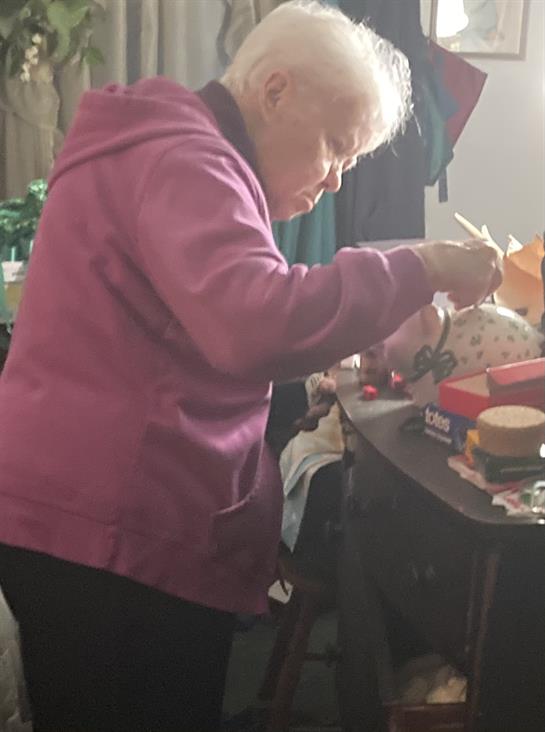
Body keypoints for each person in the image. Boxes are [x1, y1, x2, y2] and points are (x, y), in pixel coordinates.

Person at [0, 2, 501, 730]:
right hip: (109, 530)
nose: (337, 181)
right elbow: (255, 323)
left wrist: (292, 392)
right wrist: (421, 266)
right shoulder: (187, 159)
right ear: (275, 92)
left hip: (82, 511)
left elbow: (171, 339)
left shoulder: (172, 147)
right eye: (336, 146)